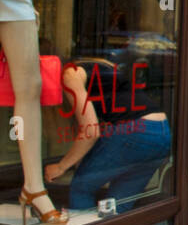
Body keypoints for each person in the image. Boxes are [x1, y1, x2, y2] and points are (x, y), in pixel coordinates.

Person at [45, 56, 171, 213]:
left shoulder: (69, 75)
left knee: (81, 186)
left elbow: (91, 131)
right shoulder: (100, 65)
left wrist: (60, 167)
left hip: (135, 130)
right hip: (162, 132)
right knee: (117, 207)